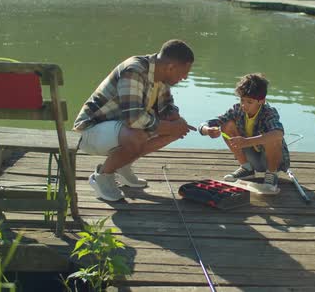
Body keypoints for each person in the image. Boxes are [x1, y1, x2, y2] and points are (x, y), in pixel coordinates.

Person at [74, 39, 195, 201]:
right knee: (136, 135)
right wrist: (171, 126)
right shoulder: (134, 70)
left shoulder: (162, 77)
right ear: (171, 67)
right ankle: (102, 175)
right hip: (90, 131)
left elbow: (167, 106)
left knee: (174, 131)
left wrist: (176, 119)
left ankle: (122, 165)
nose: (185, 77)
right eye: (184, 72)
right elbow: (134, 119)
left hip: (118, 129)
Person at [198, 73, 290, 193]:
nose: (244, 105)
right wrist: (207, 130)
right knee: (226, 125)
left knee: (272, 135)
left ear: (262, 100)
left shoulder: (269, 112)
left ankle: (271, 174)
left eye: (249, 102)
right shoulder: (237, 109)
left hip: (272, 160)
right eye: (242, 100)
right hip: (252, 155)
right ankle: (247, 168)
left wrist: (247, 142)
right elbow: (208, 123)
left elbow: (279, 134)